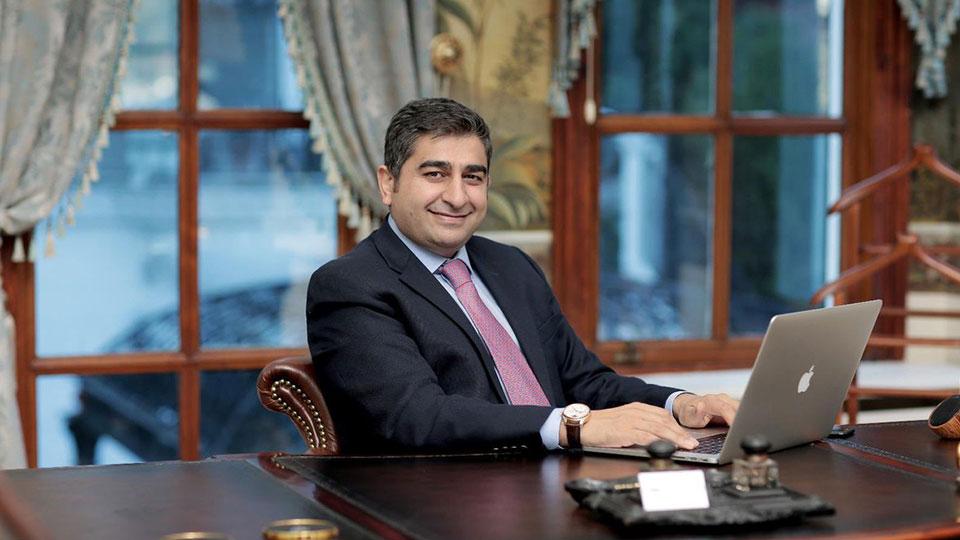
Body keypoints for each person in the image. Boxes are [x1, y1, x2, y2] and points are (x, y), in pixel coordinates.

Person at [306, 97, 738, 454]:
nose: (457, 196)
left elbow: (585, 381)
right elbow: (418, 417)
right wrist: (574, 426)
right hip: (442, 502)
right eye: (435, 174)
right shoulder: (350, 285)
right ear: (388, 184)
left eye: (472, 177)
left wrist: (681, 404)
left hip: (559, 481)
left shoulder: (511, 266)